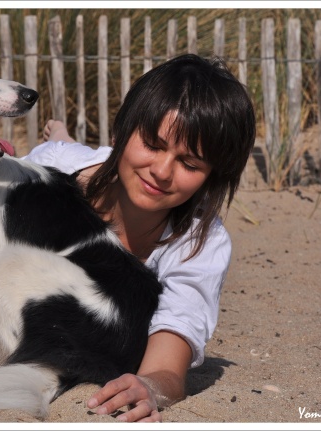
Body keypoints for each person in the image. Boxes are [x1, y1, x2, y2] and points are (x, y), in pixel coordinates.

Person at [22, 53, 256, 422]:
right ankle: (65, 135)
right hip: (79, 160)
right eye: (152, 143)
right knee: (66, 150)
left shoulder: (200, 240)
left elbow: (168, 366)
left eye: (190, 164)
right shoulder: (52, 170)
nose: (162, 172)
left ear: (212, 177)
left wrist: (150, 386)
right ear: (122, 130)